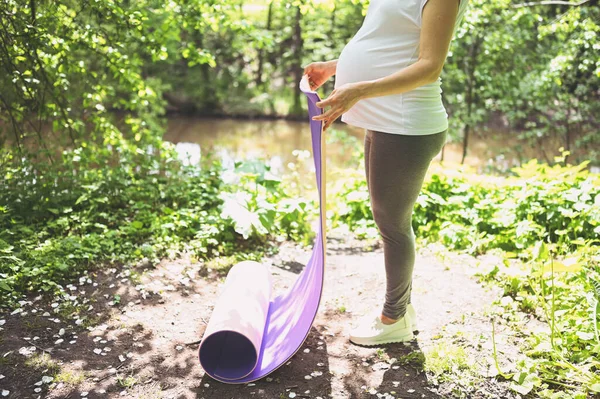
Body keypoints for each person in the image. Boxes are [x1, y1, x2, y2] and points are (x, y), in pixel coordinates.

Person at [303, 0, 470, 346]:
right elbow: (391, 43)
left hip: (406, 123)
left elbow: (428, 66)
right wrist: (337, 67)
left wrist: (359, 90)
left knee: (392, 226)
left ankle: (394, 318)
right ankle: (401, 310)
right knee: (387, 220)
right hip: (385, 120)